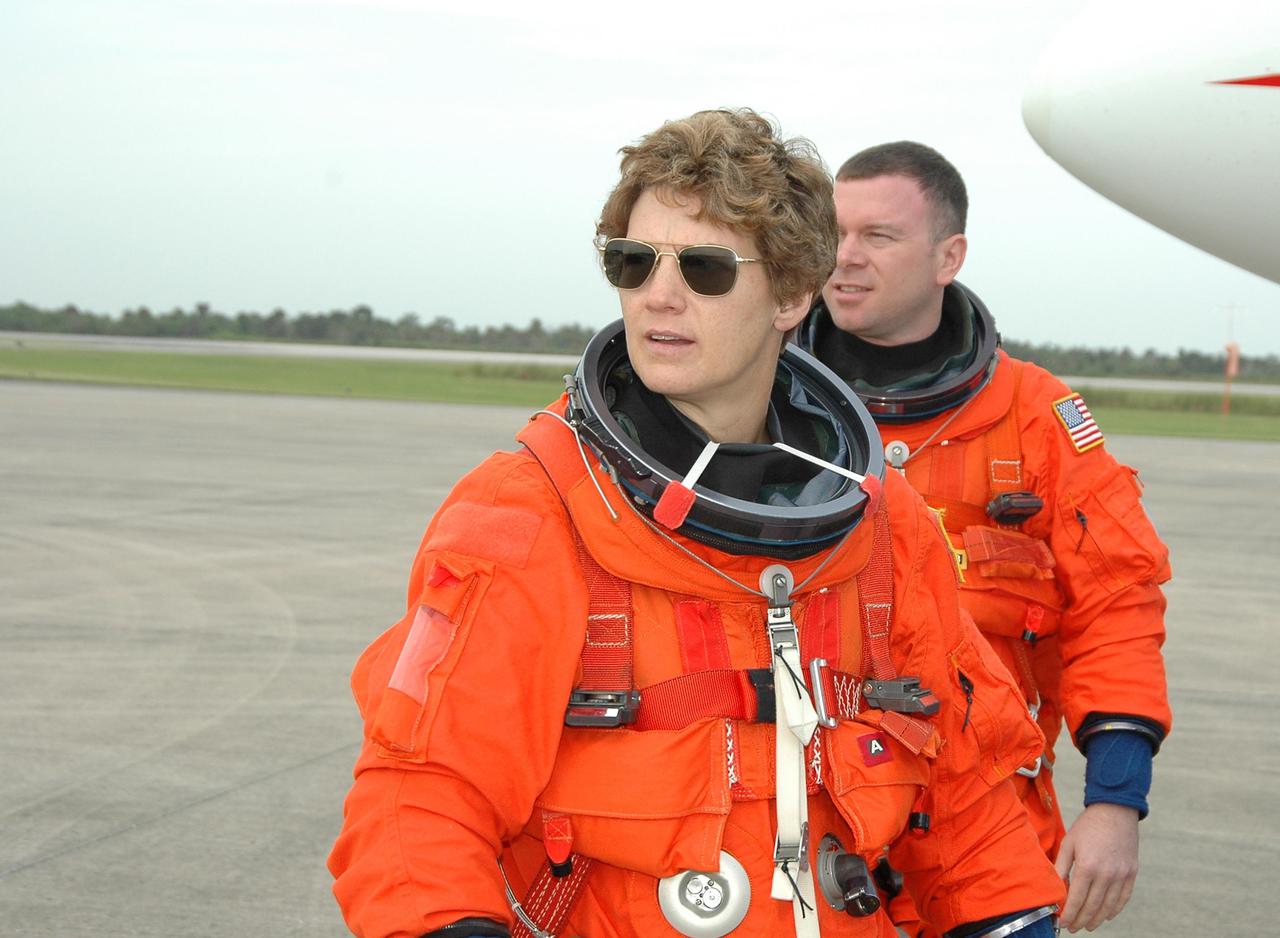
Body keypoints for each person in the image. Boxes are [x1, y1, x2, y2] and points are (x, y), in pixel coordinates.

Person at [329, 110, 1065, 938]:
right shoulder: (530, 511)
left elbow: (967, 806)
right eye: (633, 261)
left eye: (706, 269)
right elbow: (419, 801)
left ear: (791, 295)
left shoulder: (882, 525)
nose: (658, 295)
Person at [799, 142, 1172, 935]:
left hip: (987, 827)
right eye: (834, 233)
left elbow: (1115, 607)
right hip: (812, 830)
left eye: (878, 236)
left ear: (949, 257)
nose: (845, 257)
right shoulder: (762, 404)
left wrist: (1115, 801)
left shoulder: (1036, 419)